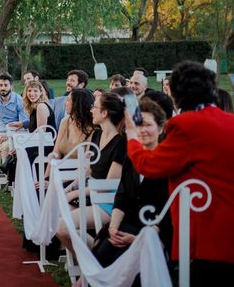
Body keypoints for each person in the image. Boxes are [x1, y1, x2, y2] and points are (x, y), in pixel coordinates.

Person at [126, 61, 234, 283]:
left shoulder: (186, 124)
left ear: (176, 94)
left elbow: (150, 165)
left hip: (205, 233)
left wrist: (131, 136)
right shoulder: (230, 121)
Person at [93, 98, 171, 268]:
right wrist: (113, 227)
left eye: (147, 125)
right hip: (128, 223)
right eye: (138, 125)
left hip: (157, 231)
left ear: (161, 128)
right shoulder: (132, 156)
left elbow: (171, 211)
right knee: (102, 253)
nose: (142, 130)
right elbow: (122, 195)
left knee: (121, 261)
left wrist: (140, 238)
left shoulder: (168, 162)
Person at [56, 92, 126, 253]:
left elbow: (108, 185)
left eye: (94, 107)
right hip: (91, 194)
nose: (91, 110)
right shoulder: (97, 135)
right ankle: (91, 259)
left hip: (108, 203)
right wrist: (69, 188)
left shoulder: (121, 143)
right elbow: (87, 171)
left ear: (104, 113)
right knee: (60, 211)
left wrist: (75, 194)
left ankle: (95, 260)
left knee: (62, 227)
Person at [0, 73, 29, 163]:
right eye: (1, 85)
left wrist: (9, 135)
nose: (3, 88)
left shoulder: (19, 100)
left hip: (17, 134)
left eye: (5, 85)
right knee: (6, 146)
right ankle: (7, 175)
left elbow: (22, 123)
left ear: (11, 86)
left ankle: (18, 173)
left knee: (16, 146)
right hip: (1, 134)